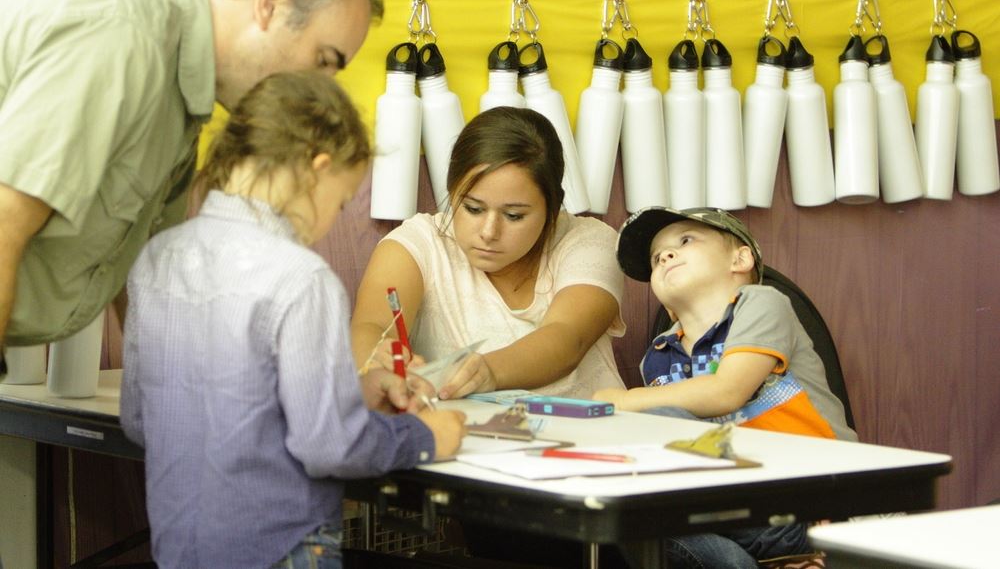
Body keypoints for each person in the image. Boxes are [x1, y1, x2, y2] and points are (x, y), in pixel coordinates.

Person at [119, 71, 466, 569]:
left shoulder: (157, 258)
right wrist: (426, 437)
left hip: (178, 545)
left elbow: (140, 419)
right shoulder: (301, 276)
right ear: (316, 169)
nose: (331, 220)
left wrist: (345, 391)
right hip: (281, 547)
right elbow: (329, 446)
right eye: (341, 201)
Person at [0, 0, 379, 353]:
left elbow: (145, 282)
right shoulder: (123, 39)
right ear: (271, 3)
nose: (319, 90)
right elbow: (5, 221)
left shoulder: (184, 97)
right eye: (323, 60)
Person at [595, 206, 857, 568]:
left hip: (808, 505)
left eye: (685, 241)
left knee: (662, 420)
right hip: (731, 518)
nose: (666, 255)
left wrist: (627, 401)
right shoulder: (656, 358)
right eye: (657, 259)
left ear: (741, 259)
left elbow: (727, 391)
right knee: (636, 521)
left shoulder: (762, 302)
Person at [351, 106, 626, 402]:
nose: (488, 232)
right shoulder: (417, 244)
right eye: (473, 209)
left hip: (597, 437)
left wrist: (488, 371)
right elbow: (371, 326)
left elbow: (568, 338)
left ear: (553, 207)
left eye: (513, 215)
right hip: (467, 441)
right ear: (452, 190)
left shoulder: (589, 241)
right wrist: (379, 360)